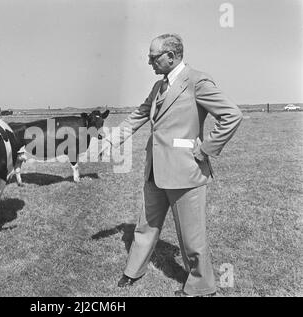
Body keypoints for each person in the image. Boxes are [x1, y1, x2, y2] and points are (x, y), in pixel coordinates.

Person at [98, 33, 242, 296]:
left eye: (153, 57)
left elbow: (232, 115)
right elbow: (139, 115)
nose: (149, 62)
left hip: (186, 172)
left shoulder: (197, 81)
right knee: (145, 225)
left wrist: (206, 148)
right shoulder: (158, 87)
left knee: (191, 236)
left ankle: (202, 286)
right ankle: (133, 271)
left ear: (171, 56)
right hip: (155, 170)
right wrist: (112, 140)